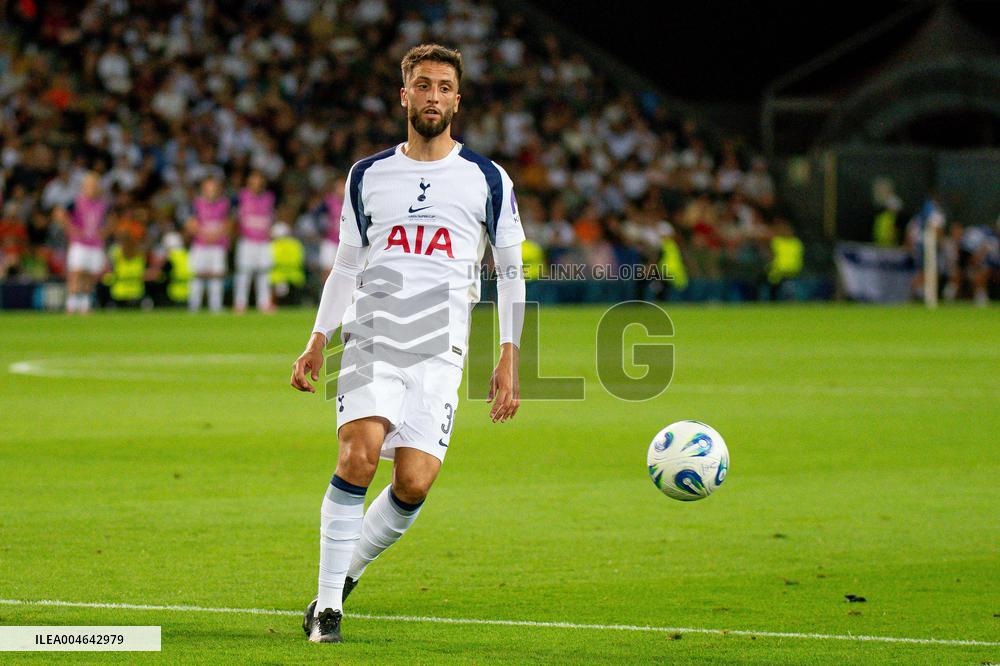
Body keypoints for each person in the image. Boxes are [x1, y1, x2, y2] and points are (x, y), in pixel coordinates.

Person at [290, 44, 526, 644]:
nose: (433, 96)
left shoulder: (488, 179)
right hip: (372, 332)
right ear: (404, 95)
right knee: (359, 456)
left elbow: (511, 273)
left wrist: (508, 356)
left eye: (444, 86)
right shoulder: (367, 174)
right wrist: (319, 337)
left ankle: (344, 576)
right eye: (422, 85)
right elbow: (346, 264)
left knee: (414, 481)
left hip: (442, 347)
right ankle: (326, 611)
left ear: (458, 99)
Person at [55, 172, 109, 314]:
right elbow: (59, 213)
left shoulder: (102, 204)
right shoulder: (76, 201)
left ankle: (85, 305)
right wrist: (71, 229)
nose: (92, 188)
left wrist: (104, 232)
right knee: (76, 272)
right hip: (80, 243)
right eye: (89, 185)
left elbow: (110, 221)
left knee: (90, 275)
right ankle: (71, 305)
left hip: (95, 244)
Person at [185, 176, 231, 312]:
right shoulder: (196, 203)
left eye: (214, 188)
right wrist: (205, 236)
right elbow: (190, 224)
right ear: (203, 189)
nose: (211, 191)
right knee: (196, 275)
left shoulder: (225, 203)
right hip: (200, 245)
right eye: (208, 188)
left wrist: (216, 236)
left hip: (218, 246)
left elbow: (229, 224)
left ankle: (215, 306)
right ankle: (194, 306)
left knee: (217, 276)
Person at [234, 170, 276, 312]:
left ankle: (264, 303)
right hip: (247, 240)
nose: (256, 184)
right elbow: (234, 216)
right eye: (253, 181)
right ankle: (240, 303)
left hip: (264, 241)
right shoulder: (241, 196)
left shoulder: (269, 197)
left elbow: (272, 216)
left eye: (259, 181)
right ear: (249, 182)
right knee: (244, 272)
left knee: (264, 273)